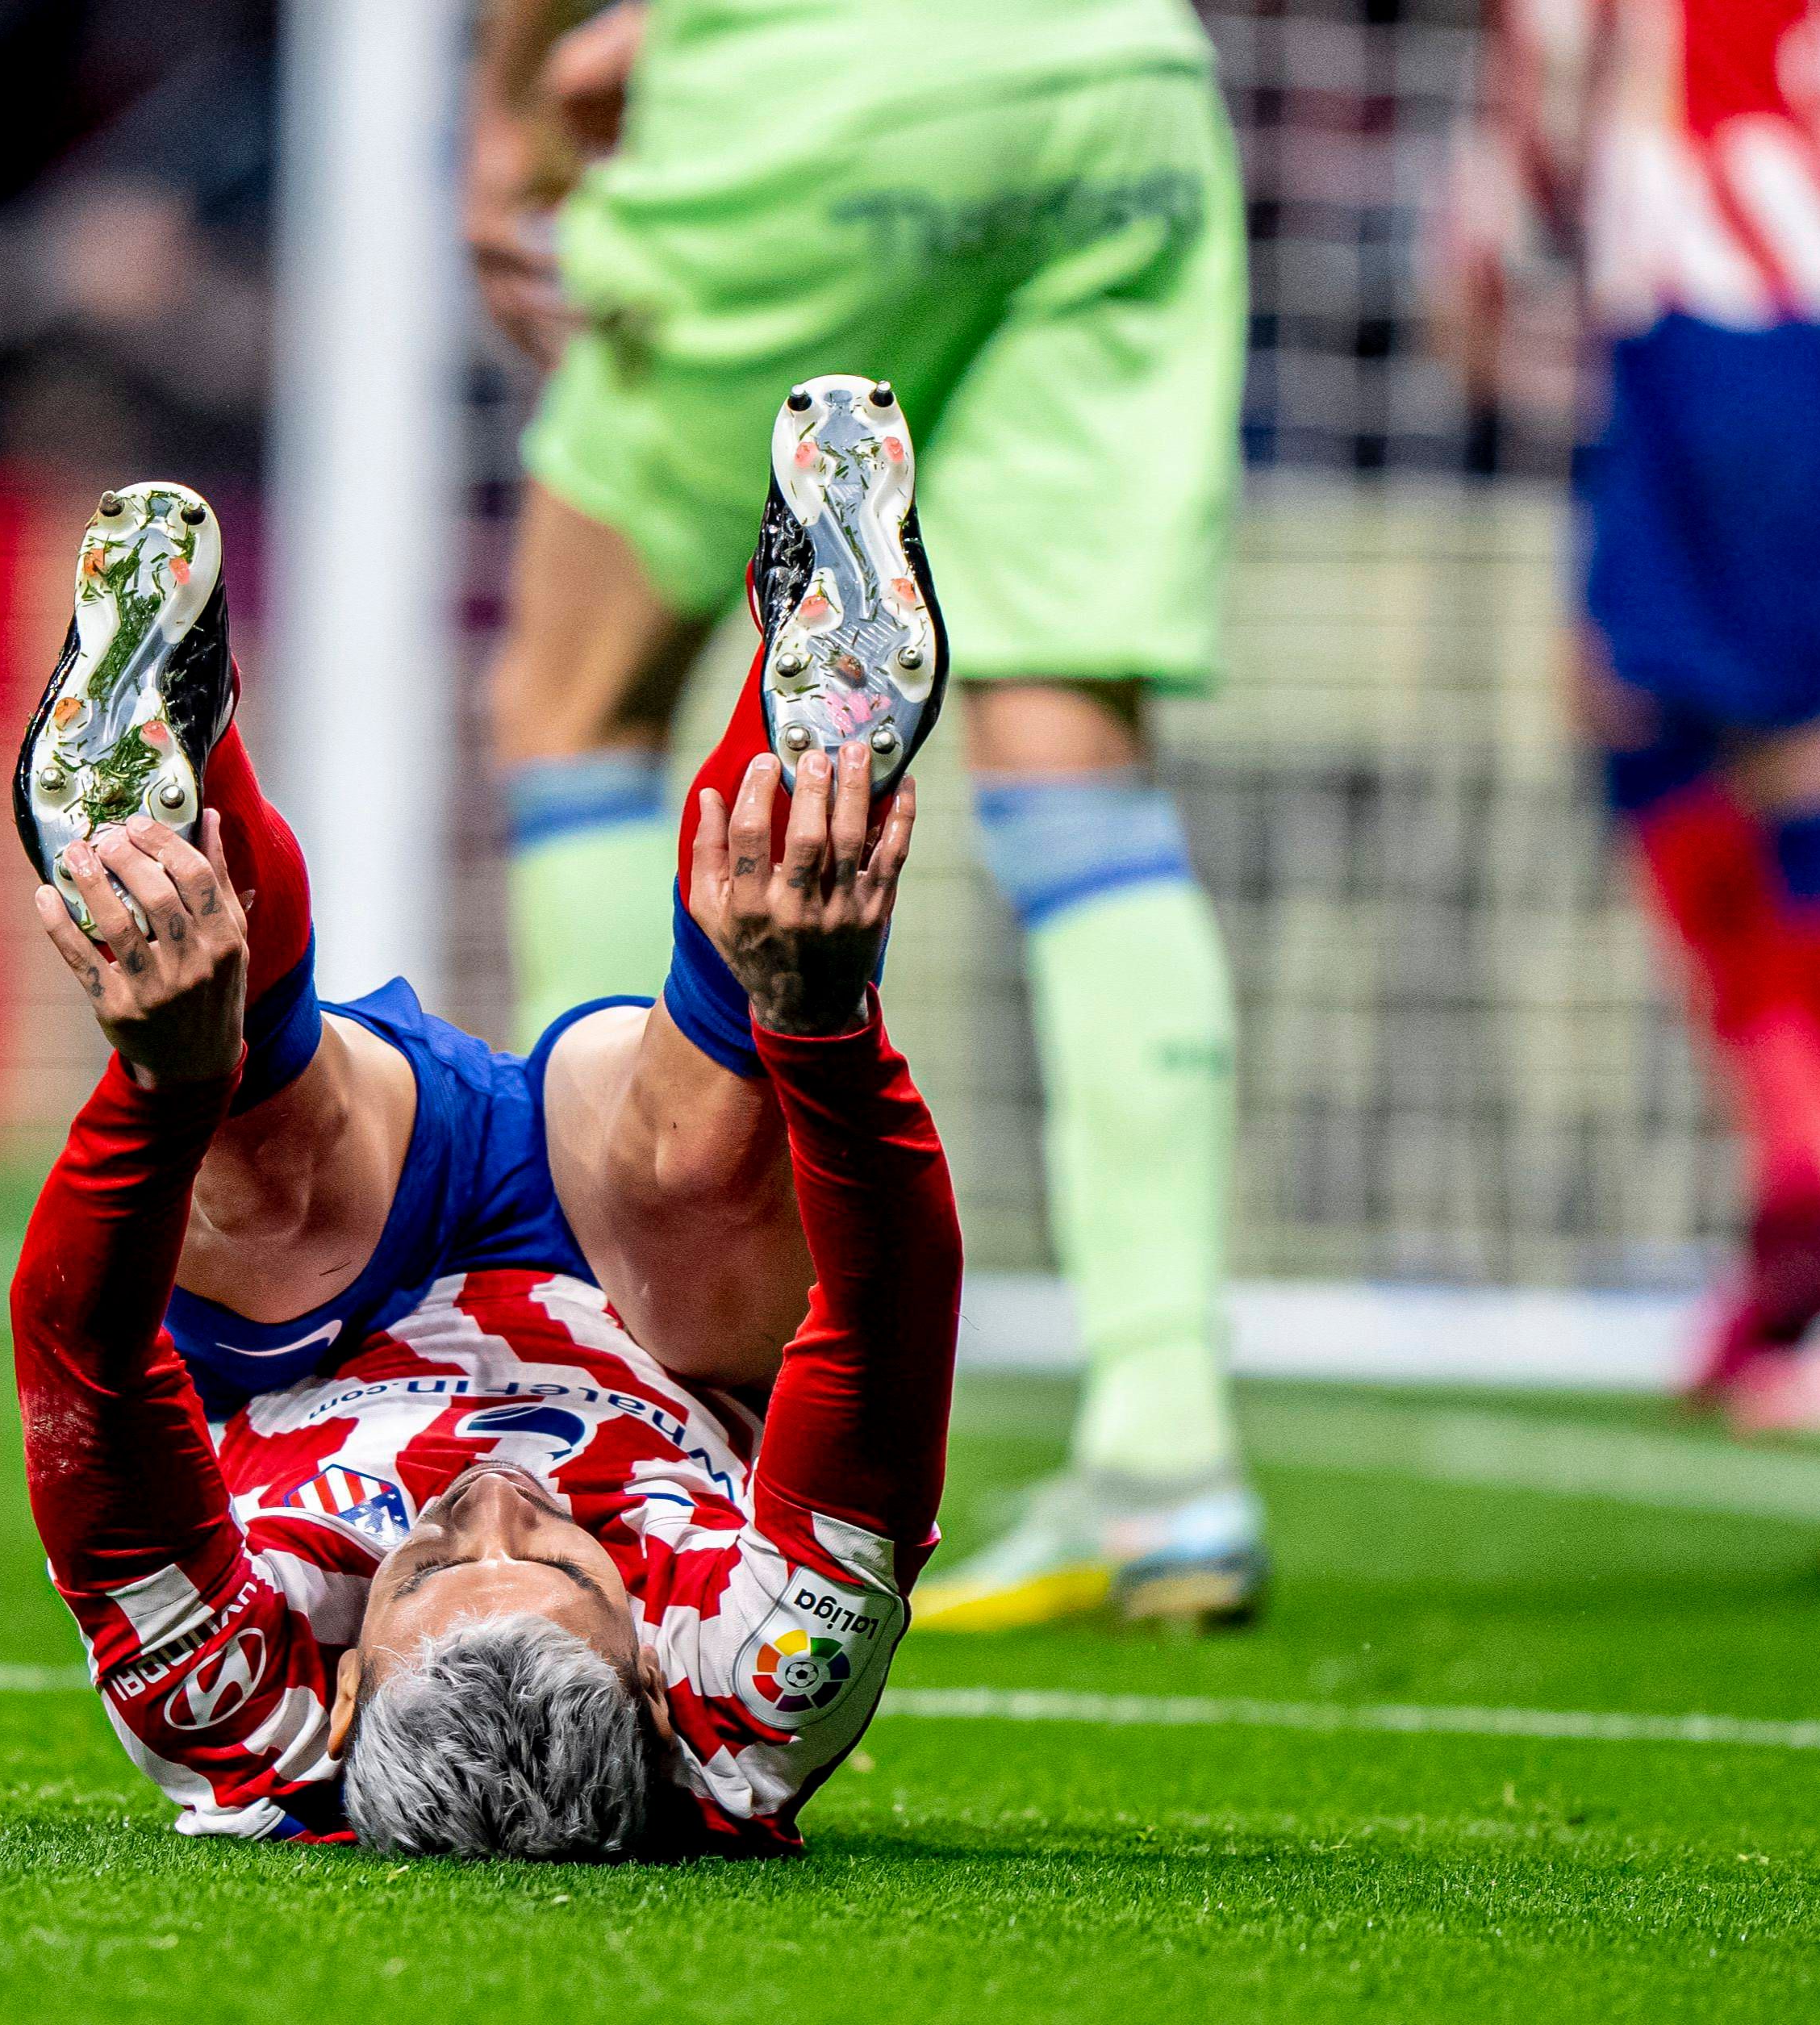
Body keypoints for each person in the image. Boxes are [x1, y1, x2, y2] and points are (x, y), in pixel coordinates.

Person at [3, 420, 958, 1856]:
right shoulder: (759, 1684)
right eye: (566, 1559)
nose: (497, 1499)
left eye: (432, 1557)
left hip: (348, 1266)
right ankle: (808, 693)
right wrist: (822, 1025)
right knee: (716, 1145)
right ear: (653, 1672)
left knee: (248, 1173)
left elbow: (83, 1361)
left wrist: (157, 1091)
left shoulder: (227, 1707)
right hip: (635, 1261)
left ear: (336, 1697)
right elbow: (887, 1334)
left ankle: (174, 770)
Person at [463, 0, 1265, 1626]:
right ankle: (1166, 1454)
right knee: (1077, 774)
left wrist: (509, 111)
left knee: (573, 705)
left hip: (826, 97)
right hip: (1119, 88)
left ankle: (619, 1377)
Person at [1436, 0, 1820, 1434]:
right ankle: (1801, 1204)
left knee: (1804, 737)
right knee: (1627, 693)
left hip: (1760, 217)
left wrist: (1498, 196)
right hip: (1717, 215)